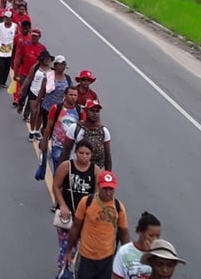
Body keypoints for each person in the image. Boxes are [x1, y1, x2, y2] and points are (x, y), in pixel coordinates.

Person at [65, 171, 130, 279]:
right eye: (105, 189)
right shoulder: (86, 202)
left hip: (107, 259)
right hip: (86, 258)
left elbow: (124, 234)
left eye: (111, 189)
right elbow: (76, 227)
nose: (108, 192)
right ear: (99, 186)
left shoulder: (119, 207)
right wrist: (68, 251)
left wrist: (127, 259)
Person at [52, 140, 100, 275]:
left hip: (85, 218)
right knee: (66, 247)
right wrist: (62, 205)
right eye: (81, 153)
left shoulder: (95, 171)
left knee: (81, 249)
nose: (84, 156)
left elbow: (96, 196)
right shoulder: (66, 167)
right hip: (67, 217)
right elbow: (56, 186)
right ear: (75, 153)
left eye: (87, 154)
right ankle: (63, 272)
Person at [39, 86, 83, 173]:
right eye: (71, 95)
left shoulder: (80, 111)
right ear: (65, 95)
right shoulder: (56, 108)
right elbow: (49, 127)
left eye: (75, 95)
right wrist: (45, 141)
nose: (73, 97)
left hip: (72, 147)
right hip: (57, 144)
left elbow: (82, 129)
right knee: (58, 168)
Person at [62, 99, 112, 171]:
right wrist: (61, 171)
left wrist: (108, 174)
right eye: (92, 110)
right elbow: (66, 151)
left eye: (97, 111)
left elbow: (107, 155)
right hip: (76, 169)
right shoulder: (75, 128)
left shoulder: (104, 131)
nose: (95, 113)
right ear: (85, 111)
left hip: (95, 171)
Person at [112, 212, 162, 279]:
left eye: (157, 236)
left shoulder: (160, 254)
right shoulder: (124, 252)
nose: (155, 239)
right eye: (151, 235)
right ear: (140, 232)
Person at [24, 51, 53, 137]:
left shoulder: (51, 70)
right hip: (34, 91)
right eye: (46, 59)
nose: (48, 60)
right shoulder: (35, 67)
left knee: (40, 113)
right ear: (42, 59)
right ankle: (32, 131)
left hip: (45, 94)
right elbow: (29, 78)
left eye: (49, 59)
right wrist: (22, 90)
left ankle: (37, 130)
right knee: (34, 111)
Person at [0, 10, 17, 90]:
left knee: (7, 67)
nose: (7, 19)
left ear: (11, 18)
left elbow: (17, 38)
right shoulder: (0, 26)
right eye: (6, 18)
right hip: (1, 50)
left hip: (10, 50)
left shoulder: (15, 26)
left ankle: (3, 83)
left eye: (9, 18)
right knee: (1, 67)